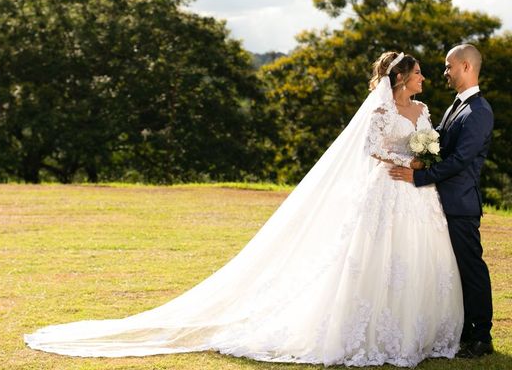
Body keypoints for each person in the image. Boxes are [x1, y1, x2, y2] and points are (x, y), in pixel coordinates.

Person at [25, 52, 463, 367]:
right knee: (373, 258)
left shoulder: (423, 109)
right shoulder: (381, 112)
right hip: (386, 189)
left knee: (413, 259)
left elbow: (426, 141)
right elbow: (370, 149)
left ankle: (416, 334)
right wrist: (407, 163)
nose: (425, 77)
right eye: (420, 72)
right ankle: (368, 335)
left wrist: (423, 162)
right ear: (401, 77)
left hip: (417, 195)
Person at [389, 44, 494, 358]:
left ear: (464, 66)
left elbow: (460, 160)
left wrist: (417, 177)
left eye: (448, 67)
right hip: (440, 203)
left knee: (470, 269)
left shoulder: (479, 112)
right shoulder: (457, 106)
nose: (445, 73)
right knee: (449, 271)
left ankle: (482, 337)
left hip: (460, 205)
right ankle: (459, 330)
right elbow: (439, 143)